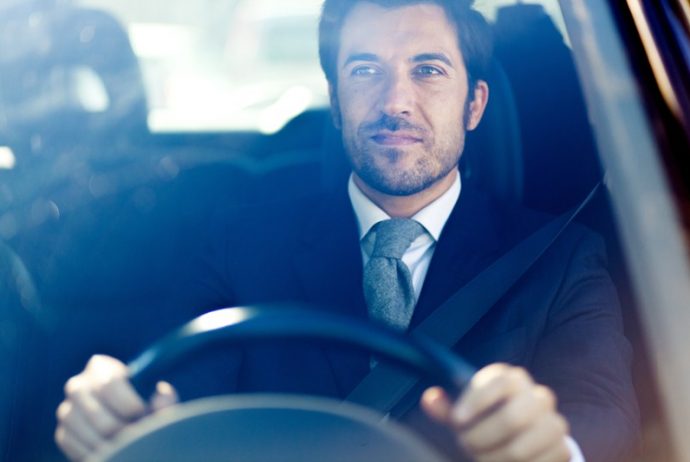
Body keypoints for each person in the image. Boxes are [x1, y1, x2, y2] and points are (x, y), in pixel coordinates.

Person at [54, 1, 639, 461]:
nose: (396, 101)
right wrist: (118, 416)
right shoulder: (240, 243)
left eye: (428, 70)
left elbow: (602, 414)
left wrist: (550, 448)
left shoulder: (560, 258)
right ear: (335, 101)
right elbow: (176, 400)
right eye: (365, 70)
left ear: (474, 105)